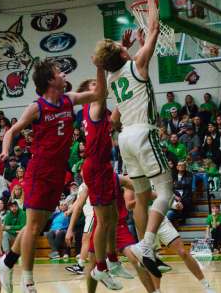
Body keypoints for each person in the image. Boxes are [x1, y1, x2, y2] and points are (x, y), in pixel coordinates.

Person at [0, 55, 106, 291]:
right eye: (59, 72)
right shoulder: (36, 107)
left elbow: (99, 95)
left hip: (58, 171)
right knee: (34, 227)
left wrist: (99, 68)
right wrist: (5, 152)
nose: (64, 74)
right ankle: (27, 281)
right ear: (49, 80)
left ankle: (6, 264)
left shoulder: (68, 100)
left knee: (35, 225)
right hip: (40, 170)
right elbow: (11, 131)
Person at [97, 0, 169, 278]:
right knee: (165, 191)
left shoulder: (113, 78)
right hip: (142, 133)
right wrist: (152, 1)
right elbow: (153, 29)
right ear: (123, 55)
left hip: (124, 139)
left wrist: (123, 47)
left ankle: (144, 247)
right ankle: (149, 245)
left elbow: (120, 62)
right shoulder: (137, 64)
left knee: (141, 196)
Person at [78, 75, 123, 286]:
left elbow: (115, 122)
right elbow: (104, 92)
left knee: (113, 216)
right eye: (93, 85)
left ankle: (113, 259)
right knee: (103, 221)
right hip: (95, 166)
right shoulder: (94, 106)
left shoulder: (102, 112)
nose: (98, 86)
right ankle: (101, 267)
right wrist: (106, 68)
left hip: (104, 165)